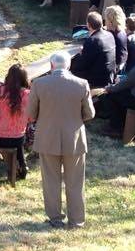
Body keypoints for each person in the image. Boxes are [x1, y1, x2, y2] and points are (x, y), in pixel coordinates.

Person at [27, 51, 94, 228]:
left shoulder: (39, 84)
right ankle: (77, 220)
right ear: (69, 65)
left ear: (51, 66)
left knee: (50, 181)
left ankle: (55, 218)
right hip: (74, 138)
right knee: (76, 181)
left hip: (47, 137)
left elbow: (31, 114)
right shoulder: (81, 84)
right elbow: (90, 114)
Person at [0, 64, 30, 180]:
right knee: (19, 142)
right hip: (17, 137)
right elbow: (31, 118)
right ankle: (22, 164)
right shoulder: (28, 94)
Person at [69, 12, 116, 88]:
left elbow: (83, 64)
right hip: (109, 74)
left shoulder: (93, 40)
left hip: (97, 79)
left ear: (88, 25)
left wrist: (77, 57)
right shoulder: (109, 35)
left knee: (71, 67)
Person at [103, 5, 129, 73]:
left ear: (110, 21)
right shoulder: (121, 31)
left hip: (114, 69)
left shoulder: (113, 36)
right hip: (120, 65)